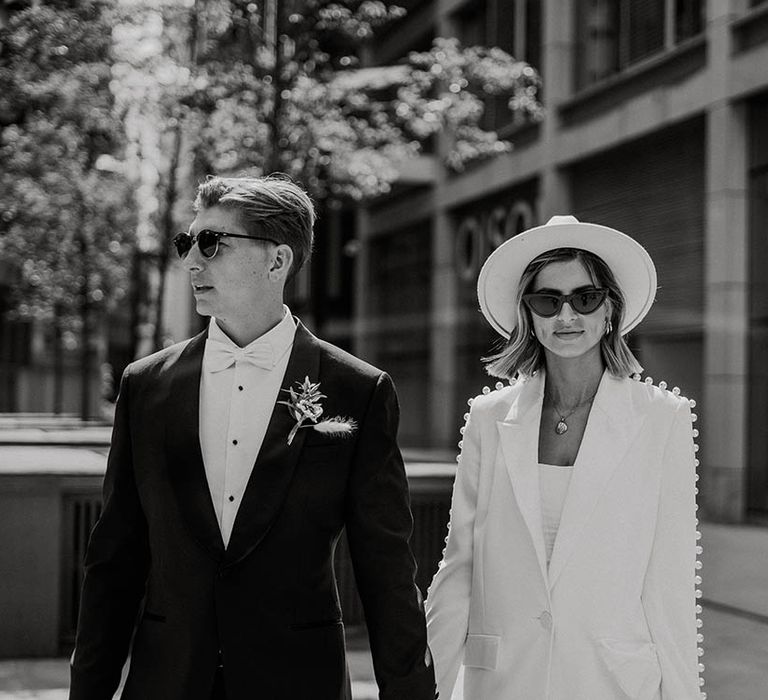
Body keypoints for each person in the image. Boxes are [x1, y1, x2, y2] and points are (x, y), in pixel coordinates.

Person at [69, 175, 436, 700]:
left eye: (212, 243)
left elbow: (387, 569)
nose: (192, 261)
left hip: (298, 683)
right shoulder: (145, 386)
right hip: (166, 683)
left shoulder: (358, 390)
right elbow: (115, 560)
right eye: (186, 242)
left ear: (278, 261)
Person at [426, 215, 704, 700]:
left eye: (586, 298)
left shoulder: (664, 419)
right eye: (547, 301)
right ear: (527, 315)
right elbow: (459, 569)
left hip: (611, 682)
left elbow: (669, 584)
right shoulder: (489, 418)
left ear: (610, 310)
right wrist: (423, 685)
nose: (566, 316)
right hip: (502, 680)